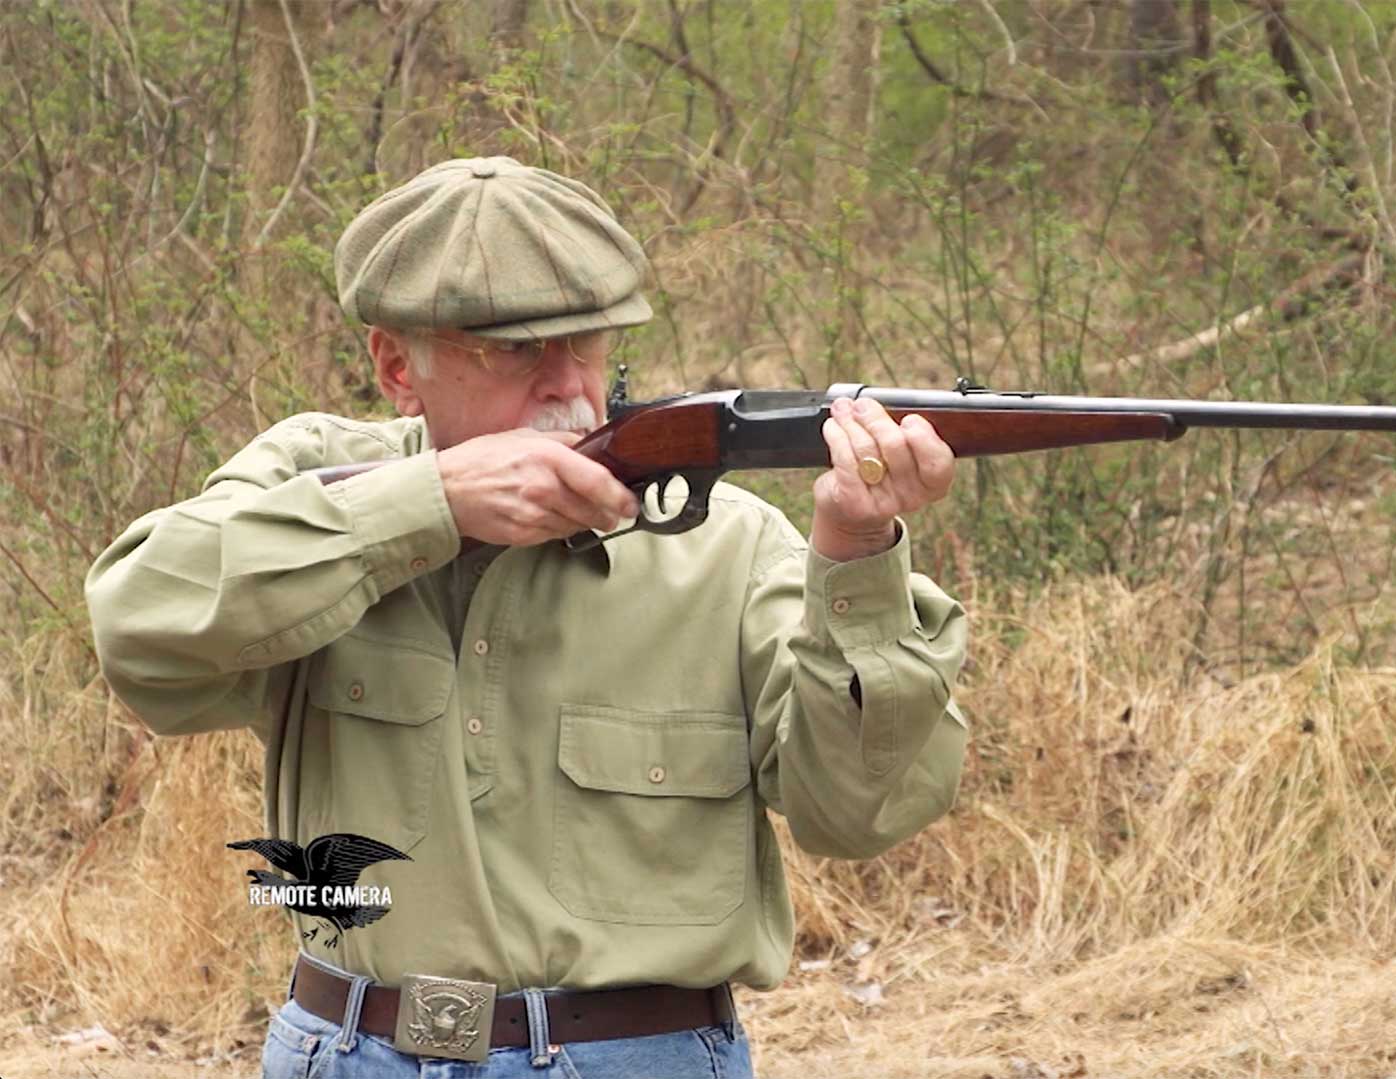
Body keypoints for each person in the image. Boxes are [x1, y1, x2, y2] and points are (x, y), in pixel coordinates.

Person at [83, 157, 970, 1078]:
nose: (567, 387)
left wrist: (859, 555)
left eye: (585, 342)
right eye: (513, 350)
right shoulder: (314, 476)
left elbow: (860, 814)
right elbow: (137, 626)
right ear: (398, 365)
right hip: (349, 1051)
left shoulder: (729, 544)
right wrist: (426, 507)